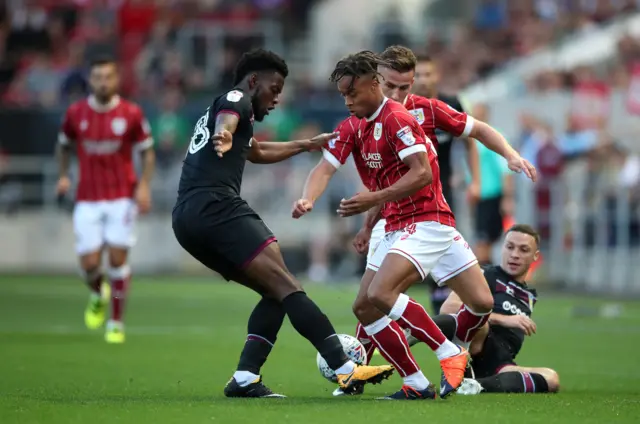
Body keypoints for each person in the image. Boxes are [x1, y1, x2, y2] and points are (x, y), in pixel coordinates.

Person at [294, 50, 536, 400]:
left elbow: (445, 155)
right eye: (391, 85)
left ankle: (450, 355)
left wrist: (510, 155)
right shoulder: (357, 122)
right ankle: (405, 378)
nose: (398, 94)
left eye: (404, 86)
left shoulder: (413, 113)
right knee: (368, 303)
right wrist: (315, 201)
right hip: (394, 219)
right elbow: (335, 170)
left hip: (426, 217)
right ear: (377, 79)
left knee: (398, 297)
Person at [171, 49, 394, 399]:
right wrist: (225, 133)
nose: (276, 99)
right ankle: (345, 367)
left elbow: (256, 152)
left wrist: (306, 144)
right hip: (215, 206)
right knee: (287, 284)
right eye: (275, 89)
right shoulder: (236, 97)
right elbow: (230, 114)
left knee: (275, 292)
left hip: (187, 219)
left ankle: (245, 377)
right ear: (254, 81)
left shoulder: (229, 112)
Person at [56, 57, 156, 344]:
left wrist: (144, 186)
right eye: (98, 77)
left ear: (117, 79)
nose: (103, 82)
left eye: (108, 77)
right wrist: (63, 176)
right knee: (88, 264)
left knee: (116, 259)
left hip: (122, 196)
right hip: (86, 197)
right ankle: (97, 291)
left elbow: (147, 152)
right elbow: (63, 145)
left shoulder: (131, 113)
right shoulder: (75, 113)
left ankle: (115, 322)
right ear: (90, 79)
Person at [433, 224, 560, 394]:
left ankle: (477, 385)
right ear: (502, 248)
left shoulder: (529, 295)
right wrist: (504, 319)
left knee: (551, 378)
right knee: (479, 318)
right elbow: (449, 308)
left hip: (501, 362)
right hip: (477, 344)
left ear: (535, 256)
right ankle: (412, 331)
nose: (514, 255)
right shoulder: (483, 274)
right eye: (510, 247)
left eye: (523, 250)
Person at [413, 53, 481, 313]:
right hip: (405, 191)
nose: (422, 79)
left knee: (442, 246)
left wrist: (475, 182)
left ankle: (443, 308)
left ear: (436, 75)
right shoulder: (400, 106)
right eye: (417, 74)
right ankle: (388, 313)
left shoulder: (450, 103)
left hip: (441, 191)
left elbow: (470, 140)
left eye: (427, 73)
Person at [470, 103, 513, 264]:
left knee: (485, 241)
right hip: (477, 197)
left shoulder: (494, 137)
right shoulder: (472, 139)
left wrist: (507, 197)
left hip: (491, 195)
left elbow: (506, 169)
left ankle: (484, 280)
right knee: (482, 239)